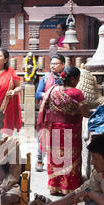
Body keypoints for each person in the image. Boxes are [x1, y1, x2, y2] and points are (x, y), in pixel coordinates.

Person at [37, 66, 89, 195]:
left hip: (54, 129)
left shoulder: (52, 90)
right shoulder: (77, 93)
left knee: (56, 158)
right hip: (71, 131)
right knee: (70, 159)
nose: (78, 82)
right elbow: (86, 113)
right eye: (78, 79)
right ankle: (69, 187)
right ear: (72, 79)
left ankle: (54, 186)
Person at [35, 54, 66, 172]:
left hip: (62, 112)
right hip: (48, 112)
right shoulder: (46, 77)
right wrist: (48, 95)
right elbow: (38, 93)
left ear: (63, 65)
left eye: (56, 64)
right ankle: (39, 159)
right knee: (44, 136)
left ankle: (57, 161)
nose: (53, 66)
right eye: (51, 63)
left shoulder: (67, 77)